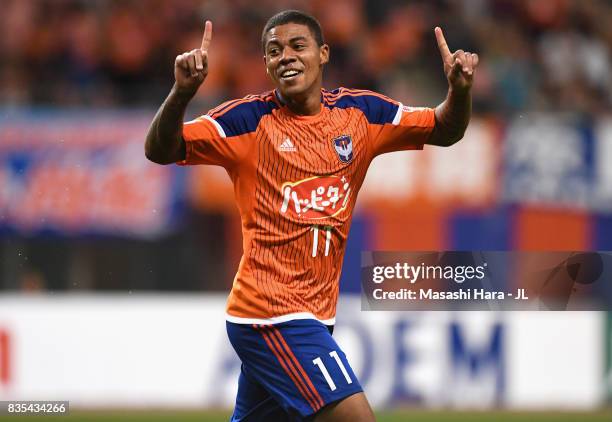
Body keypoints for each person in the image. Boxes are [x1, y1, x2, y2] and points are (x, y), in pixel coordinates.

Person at [145, 9, 478, 422]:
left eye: (297, 46)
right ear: (265, 65)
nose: (285, 56)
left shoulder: (361, 115)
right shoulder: (246, 121)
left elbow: (445, 129)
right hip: (271, 315)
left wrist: (460, 90)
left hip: (316, 316)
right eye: (273, 51)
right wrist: (181, 93)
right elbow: (159, 150)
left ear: (323, 54)